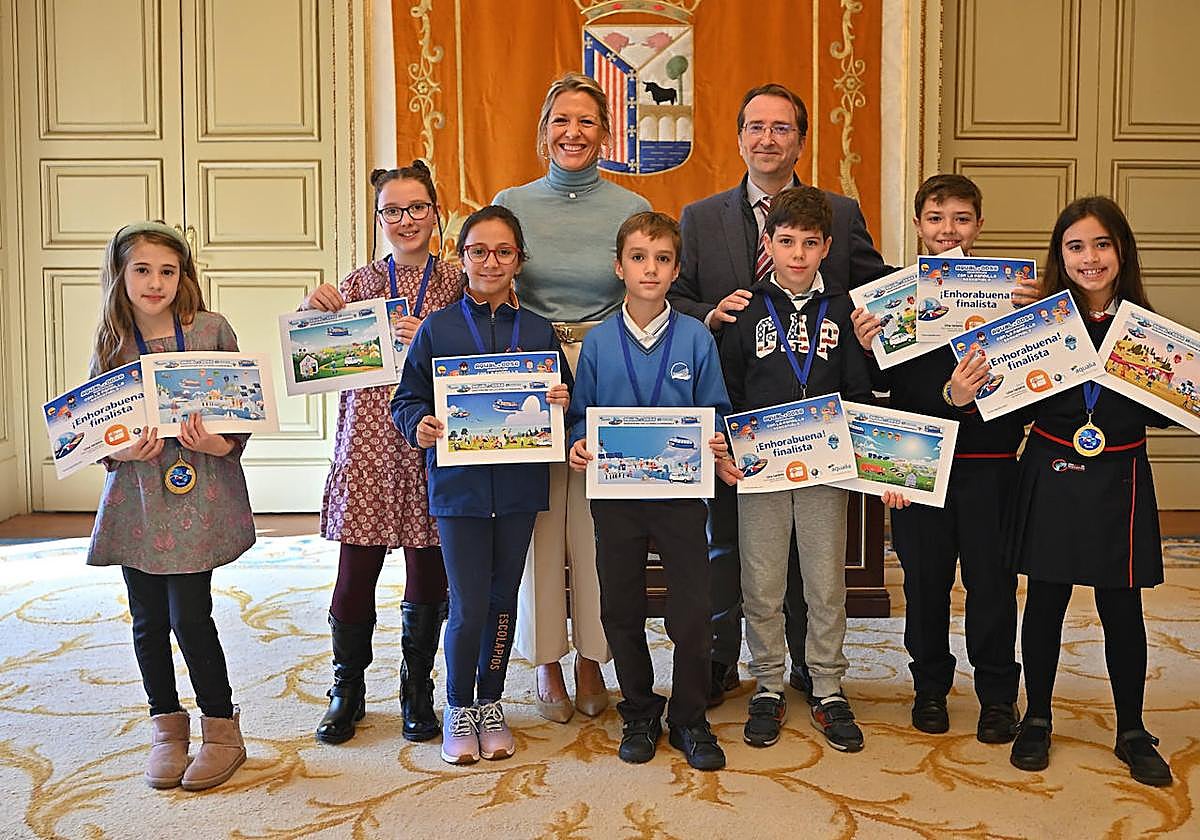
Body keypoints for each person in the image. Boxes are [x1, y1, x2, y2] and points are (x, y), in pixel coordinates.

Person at [668, 82, 893, 707]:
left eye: (782, 128)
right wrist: (714, 314)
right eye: (756, 127)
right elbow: (676, 298)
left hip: (819, 418)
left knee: (809, 557)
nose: (768, 139)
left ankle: (804, 665)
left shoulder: (840, 213)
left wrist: (949, 297)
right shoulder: (700, 216)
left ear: (800, 139)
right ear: (740, 138)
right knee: (729, 543)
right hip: (737, 414)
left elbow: (875, 288)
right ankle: (720, 659)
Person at [849, 174, 1040, 742]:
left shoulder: (1015, 295)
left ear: (979, 224)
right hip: (916, 461)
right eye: (936, 218)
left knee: (992, 584)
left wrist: (1040, 318)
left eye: (960, 218)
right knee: (925, 585)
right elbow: (880, 389)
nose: (947, 229)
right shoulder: (894, 297)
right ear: (917, 226)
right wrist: (868, 346)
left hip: (991, 461)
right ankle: (930, 687)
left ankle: (998, 695)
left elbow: (1042, 376)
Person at [493, 72, 650, 722]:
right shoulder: (512, 201)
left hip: (606, 365)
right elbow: (486, 274)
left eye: (587, 121)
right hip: (527, 367)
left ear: (605, 133)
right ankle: (547, 664)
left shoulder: (627, 208)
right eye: (561, 120)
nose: (573, 133)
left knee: (596, 523)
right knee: (537, 522)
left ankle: (593, 659)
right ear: (544, 130)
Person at [391, 205, 571, 765]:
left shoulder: (539, 330)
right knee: (468, 604)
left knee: (501, 602)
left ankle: (490, 702)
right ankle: (458, 707)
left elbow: (568, 406)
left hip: (518, 490)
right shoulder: (438, 329)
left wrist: (564, 404)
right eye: (478, 251)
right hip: (459, 492)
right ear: (461, 257)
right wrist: (417, 424)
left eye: (503, 252)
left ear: (519, 261)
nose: (490, 261)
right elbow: (407, 400)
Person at [1006, 196, 1175, 787]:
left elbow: (1168, 414)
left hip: (1120, 478)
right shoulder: (1037, 324)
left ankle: (1132, 729)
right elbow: (1008, 399)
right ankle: (1039, 718)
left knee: (1122, 608)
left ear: (1121, 250)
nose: (1090, 257)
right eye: (1075, 246)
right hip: (1051, 468)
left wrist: (1179, 386)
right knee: (1046, 601)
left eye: (1101, 244)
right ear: (1060, 256)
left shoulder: (1147, 332)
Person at [567, 211, 738, 771]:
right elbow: (579, 415)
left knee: (692, 610)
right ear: (619, 267)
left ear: (676, 269)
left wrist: (717, 439)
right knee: (620, 607)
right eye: (639, 257)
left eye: (662, 259)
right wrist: (577, 443)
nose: (651, 268)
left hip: (682, 498)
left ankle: (689, 716)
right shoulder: (596, 344)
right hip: (614, 499)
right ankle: (639, 708)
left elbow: (717, 408)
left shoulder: (695, 337)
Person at [719, 187, 887, 752]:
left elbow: (862, 392)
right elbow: (730, 390)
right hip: (760, 472)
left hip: (826, 472)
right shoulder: (744, 312)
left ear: (826, 247)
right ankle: (767, 683)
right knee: (761, 582)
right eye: (786, 241)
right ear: (768, 243)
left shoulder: (845, 310)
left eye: (809, 244)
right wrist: (731, 448)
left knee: (824, 582)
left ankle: (828, 684)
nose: (797, 254)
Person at [301, 162, 462, 745]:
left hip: (430, 441)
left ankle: (416, 688)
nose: (405, 220)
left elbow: (485, 359)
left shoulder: (458, 285)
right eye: (391, 211)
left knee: (428, 573)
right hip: (367, 442)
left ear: (435, 212)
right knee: (355, 574)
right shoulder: (357, 285)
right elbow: (313, 350)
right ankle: (347, 689)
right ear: (379, 219)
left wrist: (431, 335)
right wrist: (314, 310)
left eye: (416, 207)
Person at [87, 221, 251, 791]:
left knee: (190, 616)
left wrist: (221, 445)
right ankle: (166, 727)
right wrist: (122, 450)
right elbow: (91, 432)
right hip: (136, 499)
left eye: (167, 270)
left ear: (183, 276)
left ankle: (223, 729)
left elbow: (241, 410)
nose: (155, 282)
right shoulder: (113, 341)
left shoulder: (210, 330)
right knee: (147, 620)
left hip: (197, 494)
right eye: (142, 269)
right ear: (120, 274)